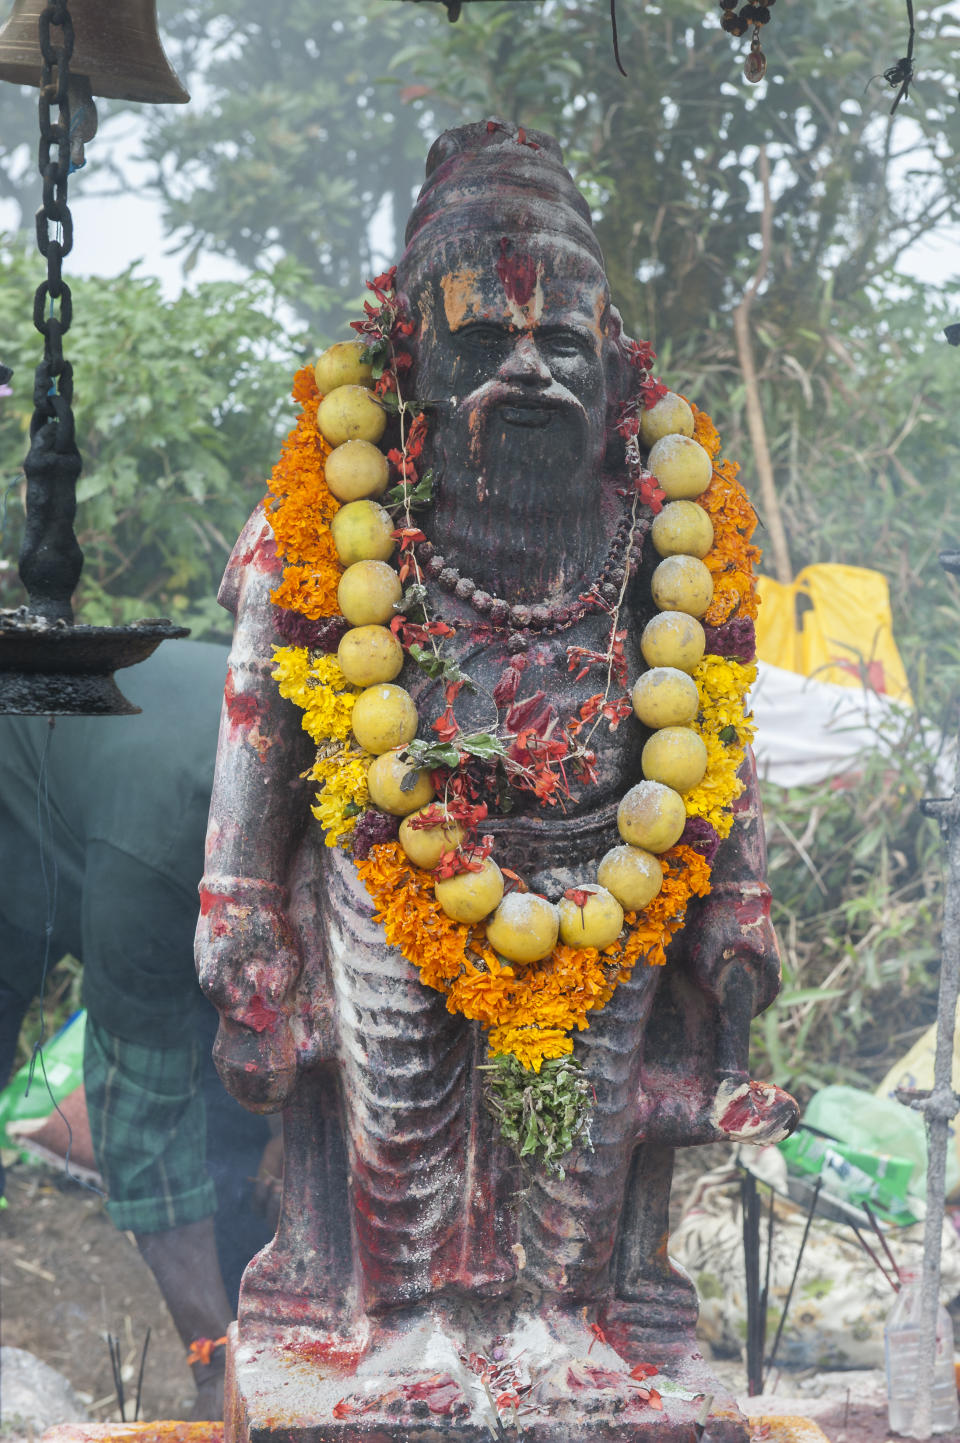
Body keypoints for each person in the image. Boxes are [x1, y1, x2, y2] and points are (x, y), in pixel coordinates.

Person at [197, 121, 796, 1433]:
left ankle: (564, 1331)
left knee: (576, 1148)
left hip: (612, 871)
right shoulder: (328, 506)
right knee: (395, 1121)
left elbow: (721, 719)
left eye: (559, 343)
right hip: (391, 872)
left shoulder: (670, 516)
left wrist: (738, 894)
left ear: (613, 362)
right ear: (412, 353)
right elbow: (261, 712)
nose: (526, 369)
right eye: (487, 338)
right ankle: (393, 1328)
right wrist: (237, 895)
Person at [0, 640, 273, 1421]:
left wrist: (292, 1128)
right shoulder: (152, 867)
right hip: (29, 803)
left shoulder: (343, 821)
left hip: (136, 784)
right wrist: (216, 1370)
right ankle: (214, 1362)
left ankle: (253, 1333)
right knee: (154, 1105)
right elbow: (143, 1133)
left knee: (237, 1112)